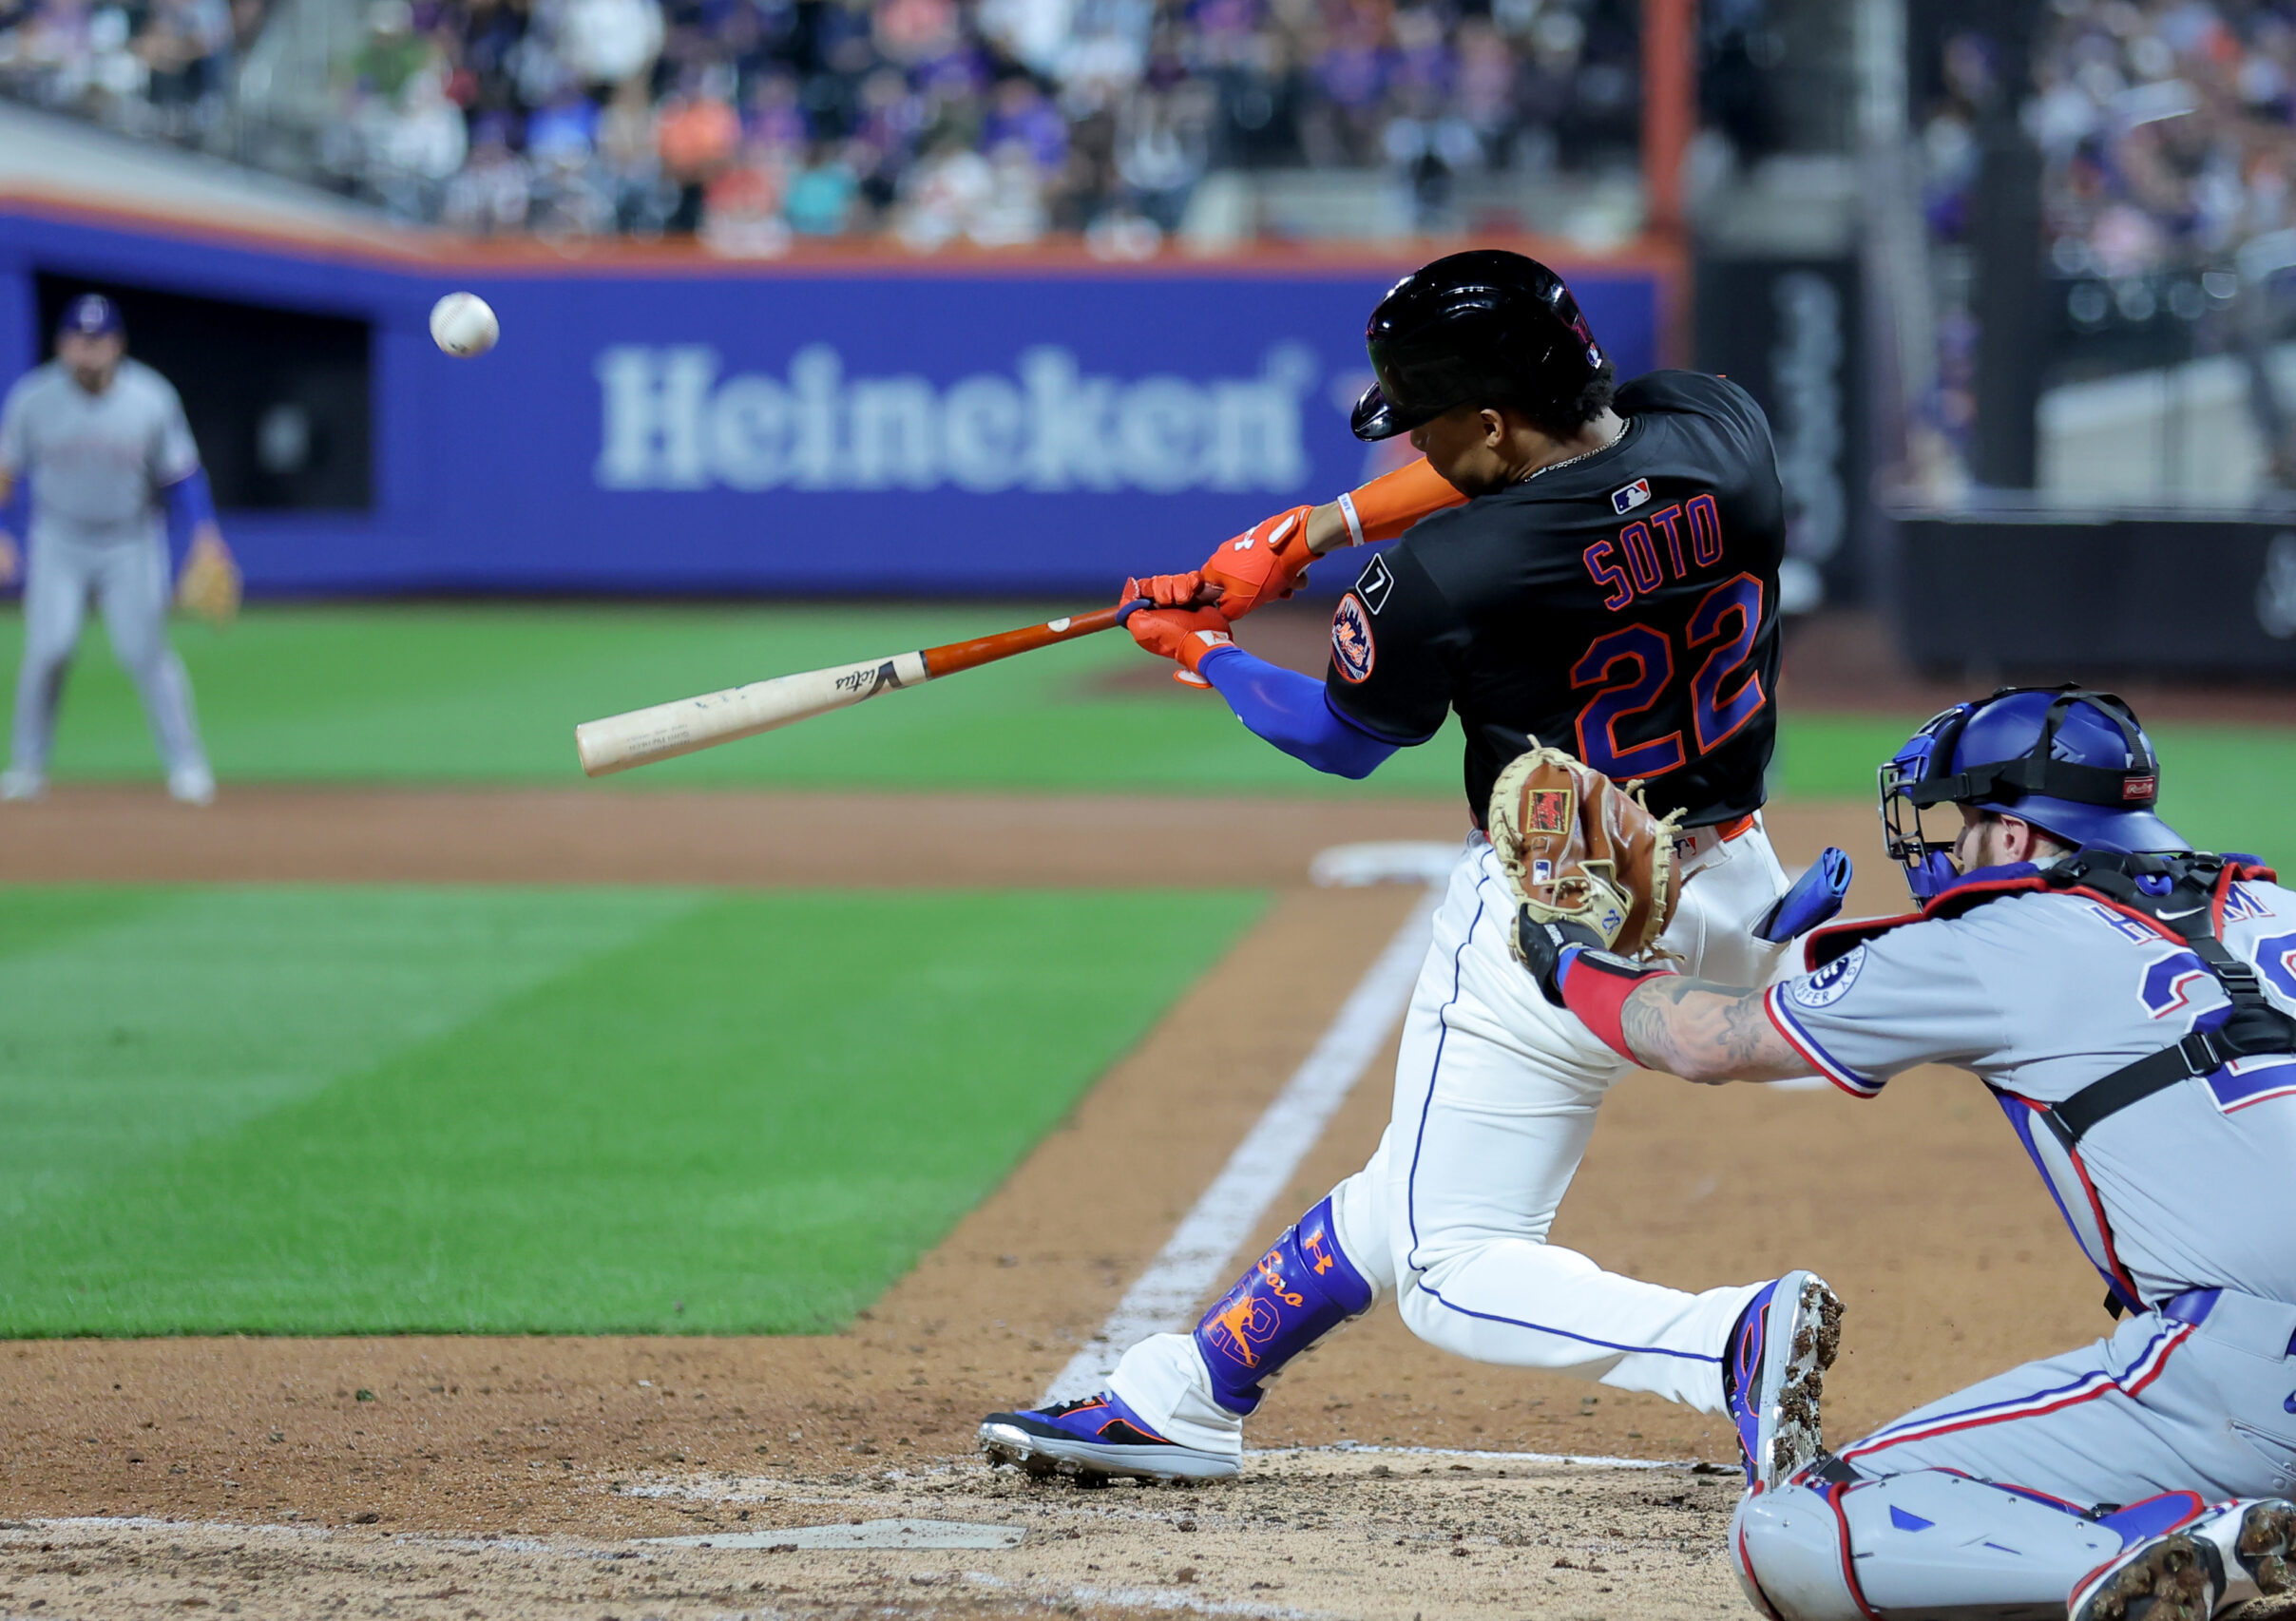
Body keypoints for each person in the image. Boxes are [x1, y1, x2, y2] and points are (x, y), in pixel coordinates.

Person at [979, 248, 1855, 1491]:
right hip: (1734, 884)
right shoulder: (1728, 430)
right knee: (1420, 1178)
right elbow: (1579, 455)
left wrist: (1206, 651)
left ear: (1489, 417)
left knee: (1453, 1264)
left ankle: (1723, 1341)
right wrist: (1312, 531)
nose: (1418, 451)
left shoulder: (1444, 576)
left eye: (1431, 424)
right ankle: (1188, 1390)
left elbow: (1341, 738)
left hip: (1561, 910)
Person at [1519, 687, 2296, 1621]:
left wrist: (1570, 957)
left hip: (2246, 1378)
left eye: (1963, 822)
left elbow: (1706, 1039)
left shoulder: (1994, 936)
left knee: (1796, 1523)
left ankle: (2176, 1554)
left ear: (2012, 837)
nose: (1948, 845)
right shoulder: (2274, 907)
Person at [0, 294, 231, 805]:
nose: (87, 350)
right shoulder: (33, 398)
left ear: (117, 344)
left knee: (145, 653)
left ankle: (187, 766)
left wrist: (205, 534)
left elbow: (182, 475)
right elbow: (0, 471)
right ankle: (27, 766)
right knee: (49, 650)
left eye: (98, 340)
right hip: (59, 539)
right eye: (78, 338)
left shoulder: (150, 397)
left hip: (131, 540)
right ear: (61, 343)